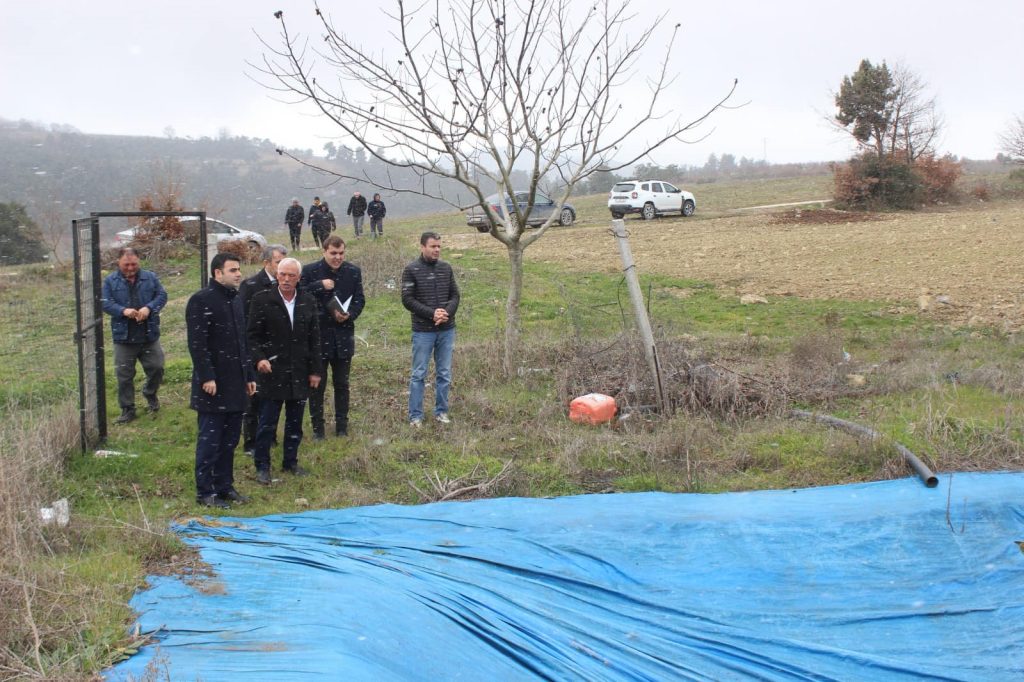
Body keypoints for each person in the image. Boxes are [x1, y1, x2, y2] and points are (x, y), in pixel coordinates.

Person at [185, 253, 256, 509]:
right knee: (210, 441)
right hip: (213, 386)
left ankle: (225, 487)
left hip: (236, 384)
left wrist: (249, 376)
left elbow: (242, 342)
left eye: (239, 269)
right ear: (217, 273)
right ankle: (205, 492)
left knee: (230, 441)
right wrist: (207, 376)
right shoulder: (201, 300)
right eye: (233, 270)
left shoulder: (235, 299)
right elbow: (197, 343)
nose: (239, 274)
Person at [246, 257, 322, 483]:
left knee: (295, 422)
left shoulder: (308, 301)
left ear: (299, 278)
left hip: (299, 370)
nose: (286, 279)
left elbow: (315, 339)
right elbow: (251, 336)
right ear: (277, 275)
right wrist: (259, 359)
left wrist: (316, 371)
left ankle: (290, 462)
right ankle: (262, 466)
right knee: (267, 422)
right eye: (282, 274)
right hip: (272, 371)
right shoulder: (262, 300)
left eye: (291, 275)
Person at [300, 235, 365, 439]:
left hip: (343, 336)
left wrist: (349, 314)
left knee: (342, 384)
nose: (338, 257)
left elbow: (359, 299)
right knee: (317, 385)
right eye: (333, 253)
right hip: (318, 337)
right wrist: (319, 285)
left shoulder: (353, 271)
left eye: (341, 253)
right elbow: (300, 295)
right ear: (324, 251)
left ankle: (342, 427)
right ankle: (318, 429)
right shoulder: (310, 271)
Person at [101, 247, 168, 424]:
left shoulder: (150, 277)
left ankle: (150, 393)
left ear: (139, 261)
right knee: (124, 375)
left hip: (149, 334)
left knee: (157, 367)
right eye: (126, 265)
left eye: (134, 264)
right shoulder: (110, 281)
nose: (130, 268)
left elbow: (162, 295)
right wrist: (123, 311)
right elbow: (105, 303)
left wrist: (149, 308)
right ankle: (127, 409)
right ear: (118, 262)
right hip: (123, 337)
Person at [401, 232, 460, 427]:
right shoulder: (411, 270)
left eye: (439, 246)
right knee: (419, 374)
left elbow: (455, 295)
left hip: (446, 329)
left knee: (444, 373)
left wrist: (446, 313)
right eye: (433, 246)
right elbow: (407, 299)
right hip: (423, 331)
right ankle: (415, 415)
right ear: (422, 247)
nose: (437, 250)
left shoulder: (446, 268)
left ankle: (441, 411)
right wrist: (432, 313)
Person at [238, 244, 288, 455]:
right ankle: (250, 441)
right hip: (256, 349)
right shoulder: (251, 286)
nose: (282, 267)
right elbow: (243, 321)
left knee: (274, 396)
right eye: (278, 262)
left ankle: (269, 436)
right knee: (255, 396)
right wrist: (253, 352)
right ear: (267, 263)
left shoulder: (287, 284)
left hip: (279, 350)